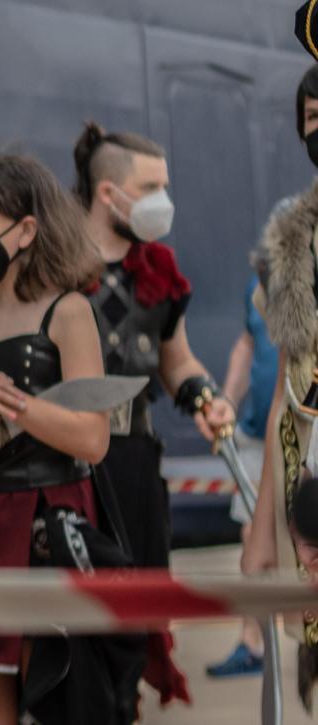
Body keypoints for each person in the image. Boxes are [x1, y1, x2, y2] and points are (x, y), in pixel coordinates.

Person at [0, 152, 117, 723]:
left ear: (26, 230)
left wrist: (14, 406)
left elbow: (93, 438)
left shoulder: (69, 311)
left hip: (48, 518)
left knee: (56, 686)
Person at [73, 122, 237, 705]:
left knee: (133, 616)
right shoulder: (56, 262)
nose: (163, 201)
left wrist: (203, 396)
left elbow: (177, 359)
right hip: (69, 465)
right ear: (108, 193)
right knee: (72, 618)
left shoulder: (159, 271)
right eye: (151, 188)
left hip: (136, 464)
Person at [251, 62, 318, 703]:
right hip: (310, 481)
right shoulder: (291, 241)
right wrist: (259, 531)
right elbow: (282, 396)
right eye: (312, 121)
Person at [208, 198, 292, 679]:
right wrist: (227, 399)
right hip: (258, 434)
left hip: (306, 439)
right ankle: (252, 641)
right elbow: (247, 343)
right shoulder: (258, 286)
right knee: (251, 536)